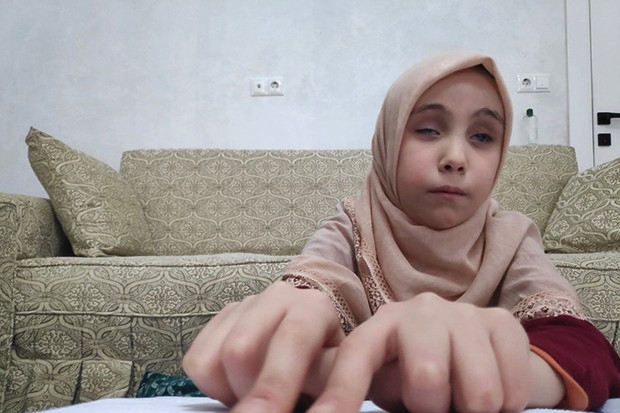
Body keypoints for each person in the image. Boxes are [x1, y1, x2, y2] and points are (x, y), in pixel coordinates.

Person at [183, 52, 620, 413]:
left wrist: (503, 376)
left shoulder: (512, 235)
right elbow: (309, 293)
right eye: (427, 129)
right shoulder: (353, 222)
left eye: (483, 137)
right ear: (387, 140)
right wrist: (289, 323)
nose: (455, 157)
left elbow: (587, 352)